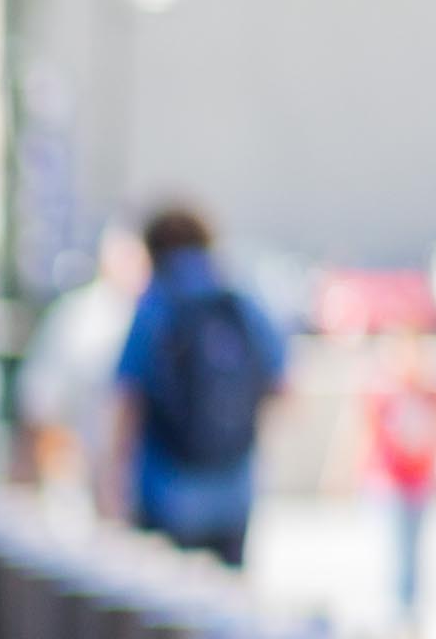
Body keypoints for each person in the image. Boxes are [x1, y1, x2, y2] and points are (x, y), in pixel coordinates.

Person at [111, 202, 287, 566]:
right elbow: (281, 383)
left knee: (162, 610)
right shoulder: (238, 301)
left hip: (166, 490)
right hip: (234, 487)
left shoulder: (156, 303)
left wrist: (113, 485)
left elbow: (127, 397)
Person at [19, 224, 147, 510]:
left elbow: (41, 406)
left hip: (86, 487)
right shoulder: (146, 319)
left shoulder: (79, 316)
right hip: (139, 491)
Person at [365, 329, 436, 623]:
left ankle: (406, 613)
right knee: (397, 553)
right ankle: (398, 615)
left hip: (417, 481)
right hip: (391, 481)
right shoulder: (385, 391)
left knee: (412, 553)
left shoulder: (426, 391)